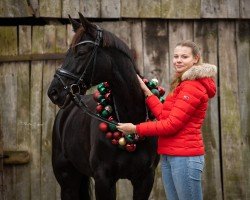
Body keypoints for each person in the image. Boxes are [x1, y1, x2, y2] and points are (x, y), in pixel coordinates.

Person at [117, 40, 217, 200]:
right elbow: (165, 115)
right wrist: (147, 92)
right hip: (171, 155)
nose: (178, 60)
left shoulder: (192, 87)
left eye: (184, 57)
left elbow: (171, 125)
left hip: (185, 158)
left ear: (196, 59)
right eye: (176, 56)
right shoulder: (183, 84)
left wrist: (135, 129)